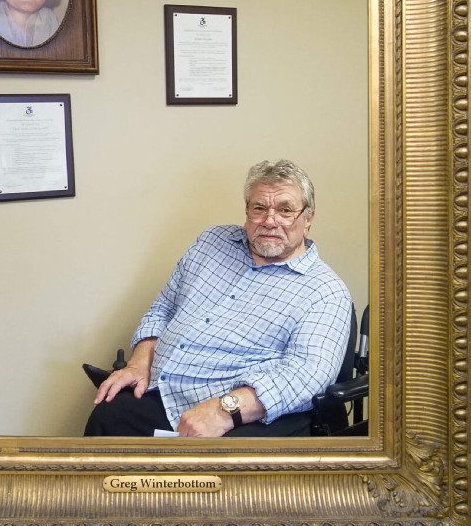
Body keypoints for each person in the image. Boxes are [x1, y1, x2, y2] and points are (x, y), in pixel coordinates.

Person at [84, 159, 352, 438]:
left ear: (307, 219)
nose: (270, 220)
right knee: (107, 416)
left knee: (208, 475)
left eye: (285, 210)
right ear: (247, 211)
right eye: (259, 208)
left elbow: (307, 375)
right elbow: (164, 307)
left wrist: (225, 411)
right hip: (162, 392)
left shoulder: (326, 291)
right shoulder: (212, 241)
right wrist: (139, 363)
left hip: (242, 417)